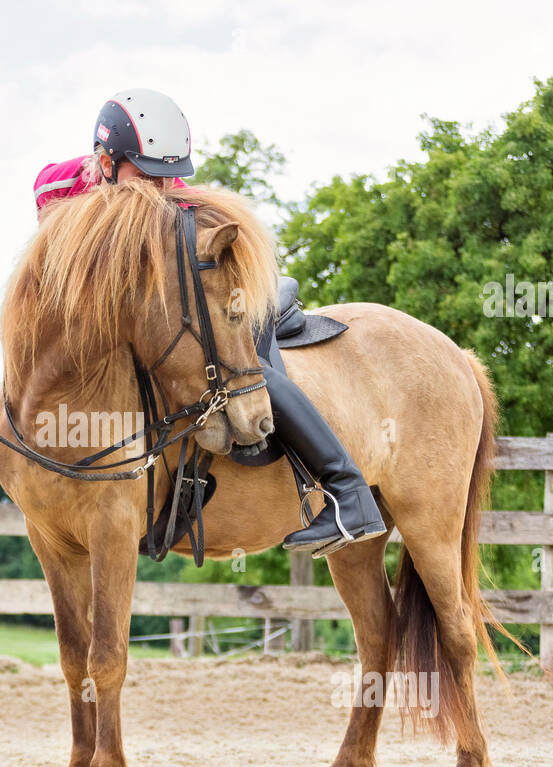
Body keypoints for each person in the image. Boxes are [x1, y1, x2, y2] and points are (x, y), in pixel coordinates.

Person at [32, 89, 386, 556]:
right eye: (149, 175)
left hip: (229, 298)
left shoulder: (182, 207)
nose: (163, 190)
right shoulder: (55, 192)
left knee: (248, 361)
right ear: (104, 162)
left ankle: (348, 491)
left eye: (170, 177)